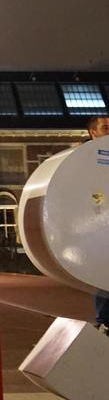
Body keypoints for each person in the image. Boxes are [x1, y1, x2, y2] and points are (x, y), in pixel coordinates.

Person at [88, 117, 109, 332]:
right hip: (100, 226)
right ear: (93, 133)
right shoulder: (87, 158)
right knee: (105, 271)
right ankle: (104, 319)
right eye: (106, 128)